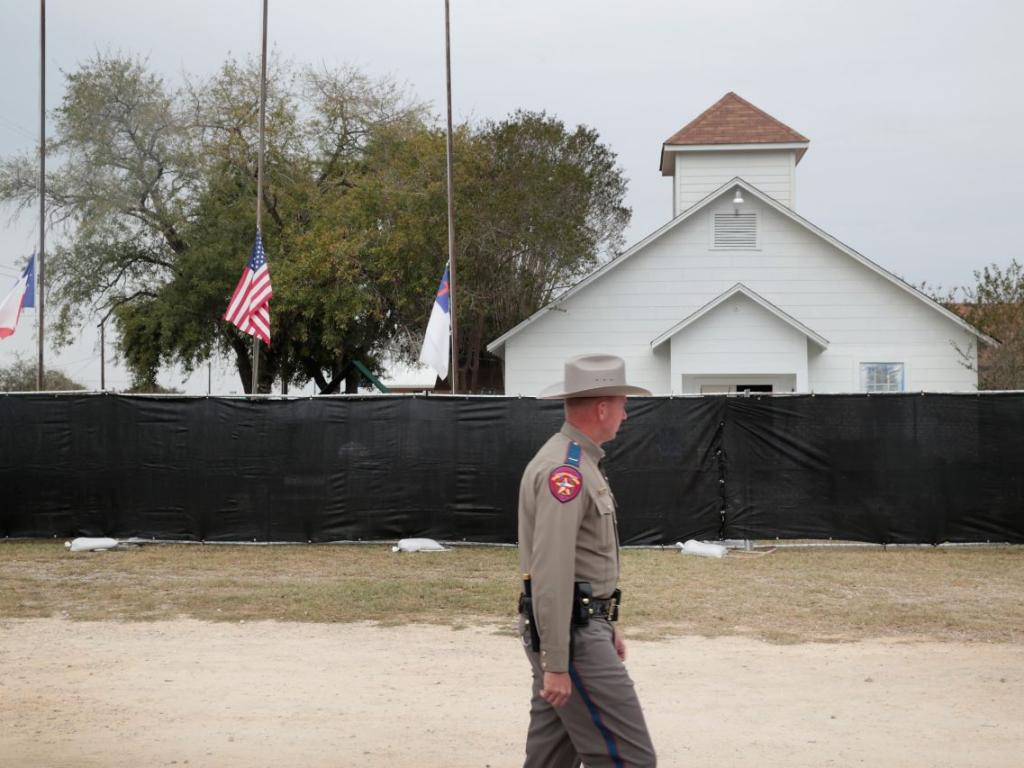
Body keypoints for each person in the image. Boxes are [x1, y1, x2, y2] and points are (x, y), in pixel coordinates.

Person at [517, 353, 657, 768]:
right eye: (621, 404)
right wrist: (557, 662)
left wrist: (606, 622)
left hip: (575, 628)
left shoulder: (576, 461)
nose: (625, 415)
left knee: (550, 760)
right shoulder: (567, 470)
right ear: (601, 408)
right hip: (572, 639)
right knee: (630, 760)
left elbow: (581, 563)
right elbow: (552, 571)